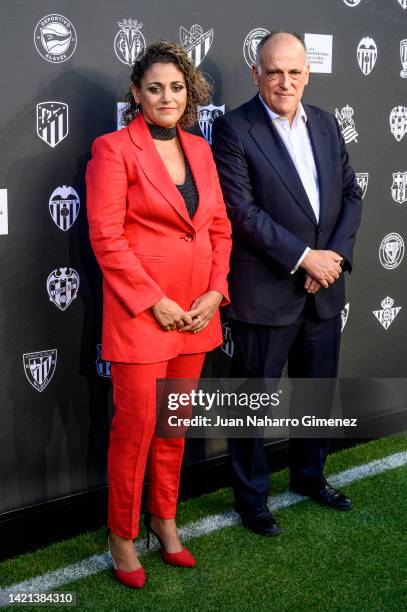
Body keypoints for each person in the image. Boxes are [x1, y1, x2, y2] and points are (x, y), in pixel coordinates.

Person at [86, 40, 231, 588]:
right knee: (136, 429)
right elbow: (106, 235)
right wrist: (155, 301)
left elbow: (218, 227)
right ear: (136, 94)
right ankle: (121, 535)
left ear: (188, 91)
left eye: (175, 87)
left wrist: (215, 293)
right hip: (144, 316)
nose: (166, 97)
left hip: (196, 315)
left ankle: (163, 519)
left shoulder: (201, 149)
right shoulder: (114, 149)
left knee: (174, 428)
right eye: (154, 88)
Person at [211, 32, 362, 537]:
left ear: (308, 74)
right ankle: (252, 499)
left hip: (325, 288)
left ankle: (309, 477)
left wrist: (333, 258)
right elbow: (241, 211)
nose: (285, 81)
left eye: (295, 72)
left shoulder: (325, 123)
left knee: (316, 395)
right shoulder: (234, 128)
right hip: (267, 292)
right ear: (256, 73)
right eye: (274, 71)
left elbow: (351, 193)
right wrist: (305, 259)